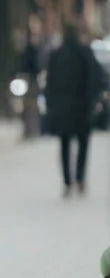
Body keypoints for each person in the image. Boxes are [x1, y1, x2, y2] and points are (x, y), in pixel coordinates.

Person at [44, 23, 105, 196]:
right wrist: (93, 100)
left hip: (63, 108)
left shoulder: (56, 55)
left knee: (64, 144)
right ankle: (79, 178)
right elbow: (95, 78)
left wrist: (51, 105)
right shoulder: (84, 53)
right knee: (83, 144)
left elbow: (49, 84)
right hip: (81, 107)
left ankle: (67, 180)